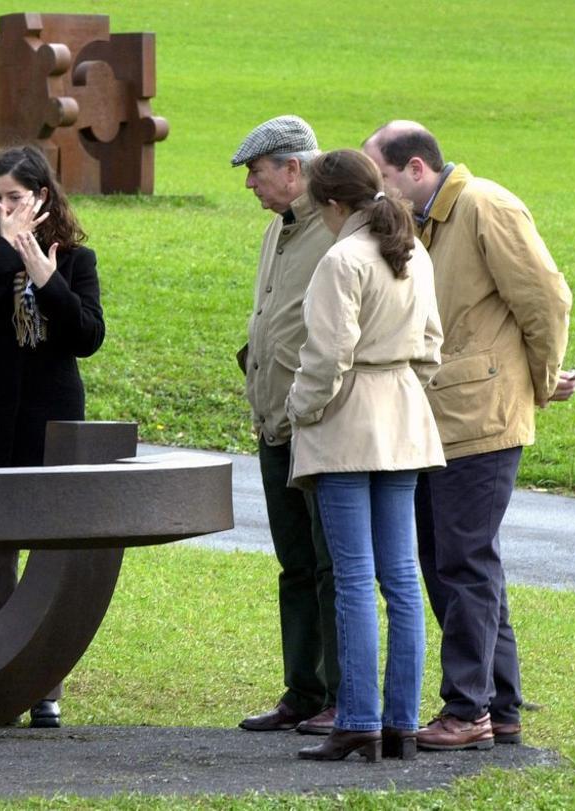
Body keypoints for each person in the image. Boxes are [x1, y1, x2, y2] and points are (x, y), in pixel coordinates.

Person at [363, 121, 574, 750]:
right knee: (451, 562)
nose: (379, 194)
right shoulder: (424, 219)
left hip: (480, 421)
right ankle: (498, 708)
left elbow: (547, 299)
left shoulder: (486, 205)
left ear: (417, 169)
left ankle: (468, 711)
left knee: (462, 563)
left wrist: (538, 381)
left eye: (384, 179)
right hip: (437, 420)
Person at [286, 149, 445, 762]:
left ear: (331, 203)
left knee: (354, 579)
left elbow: (327, 357)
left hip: (347, 423)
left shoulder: (342, 258)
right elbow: (431, 343)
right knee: (401, 578)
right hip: (404, 415)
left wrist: (299, 408)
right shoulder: (413, 250)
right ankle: (400, 723)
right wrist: (402, 384)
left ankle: (357, 719)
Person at [0, 145, 105, 728]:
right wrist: (9, 255)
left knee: (48, 553)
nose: (6, 206)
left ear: (42, 196)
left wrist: (47, 276)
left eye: (16, 197)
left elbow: (86, 337)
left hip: (50, 418)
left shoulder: (76, 257)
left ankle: (44, 687)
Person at [230, 116, 341, 736]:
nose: (251, 184)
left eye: (257, 171)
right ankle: (303, 690)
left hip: (321, 425)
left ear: (292, 169)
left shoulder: (336, 225)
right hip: (275, 423)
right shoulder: (280, 227)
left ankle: (339, 695)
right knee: (295, 563)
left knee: (332, 566)